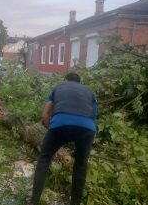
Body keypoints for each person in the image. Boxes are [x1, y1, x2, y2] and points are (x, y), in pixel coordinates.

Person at [28, 72, 98, 205]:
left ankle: (34, 202)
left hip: (60, 124)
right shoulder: (89, 91)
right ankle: (75, 202)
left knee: (44, 160)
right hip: (87, 128)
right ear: (79, 82)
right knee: (81, 165)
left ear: (65, 80)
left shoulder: (59, 86)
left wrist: (52, 132)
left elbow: (45, 114)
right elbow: (93, 115)